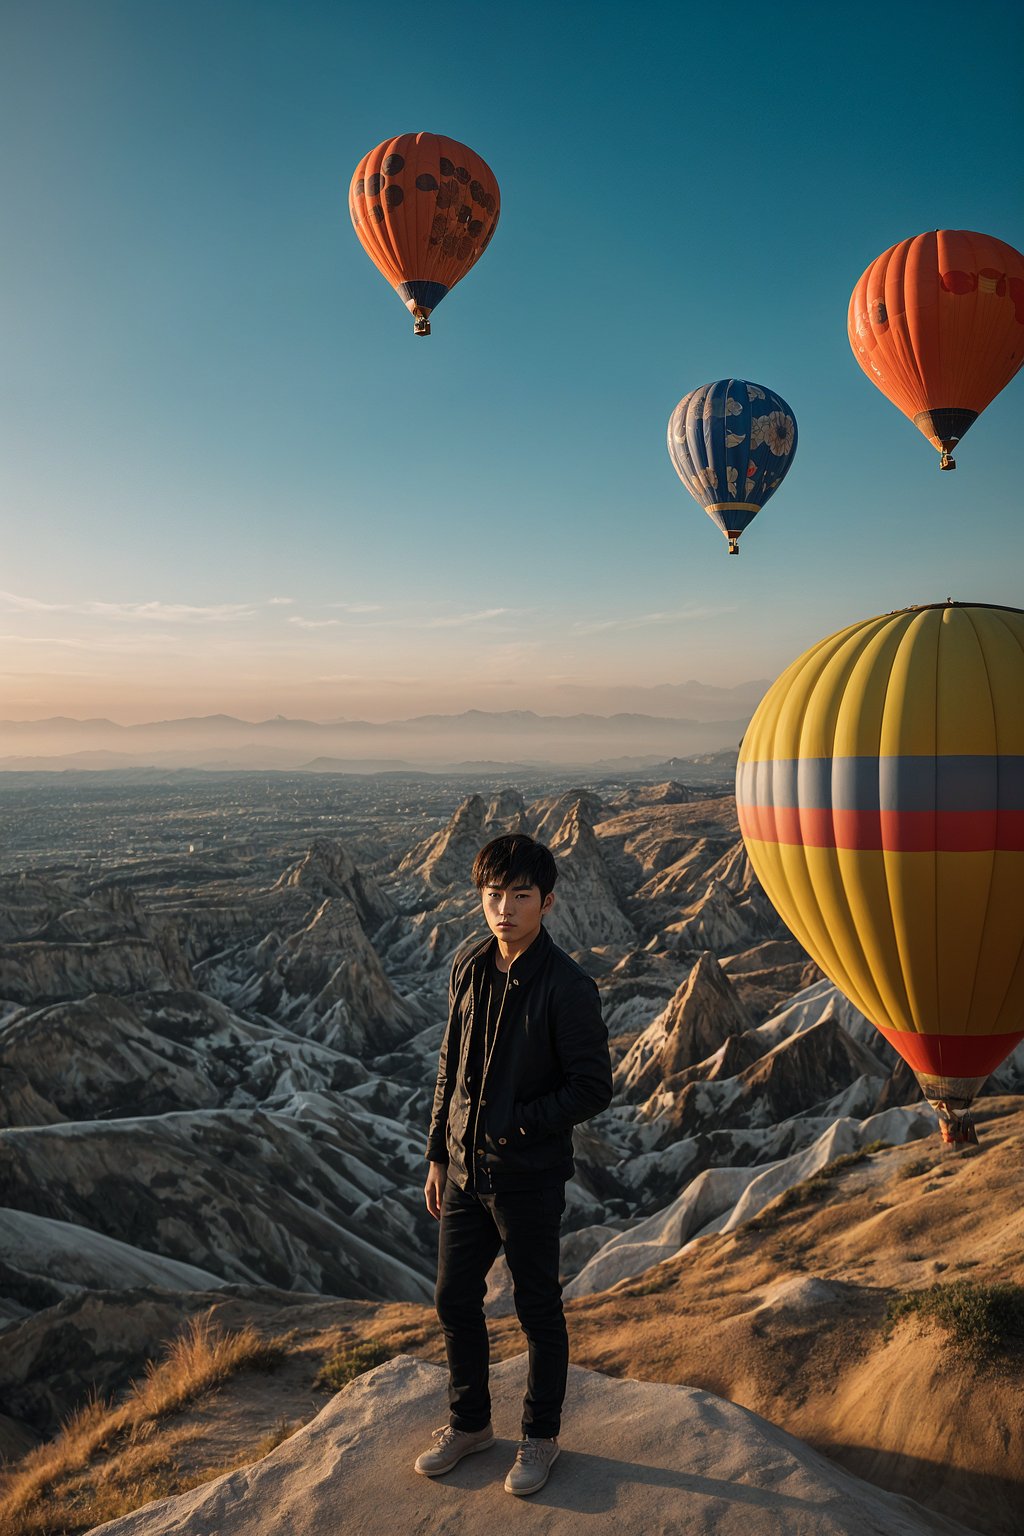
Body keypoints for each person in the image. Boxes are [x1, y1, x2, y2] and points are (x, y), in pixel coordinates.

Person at [414, 832, 613, 1496]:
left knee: (536, 1310)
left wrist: (518, 1122)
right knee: (452, 1298)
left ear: (546, 902)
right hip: (467, 1173)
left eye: (520, 896)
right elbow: (451, 1067)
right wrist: (440, 1153)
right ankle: (470, 1425)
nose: (504, 909)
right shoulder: (470, 967)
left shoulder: (567, 987)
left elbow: (593, 1087)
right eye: (493, 895)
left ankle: (539, 1438)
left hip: (528, 1178)